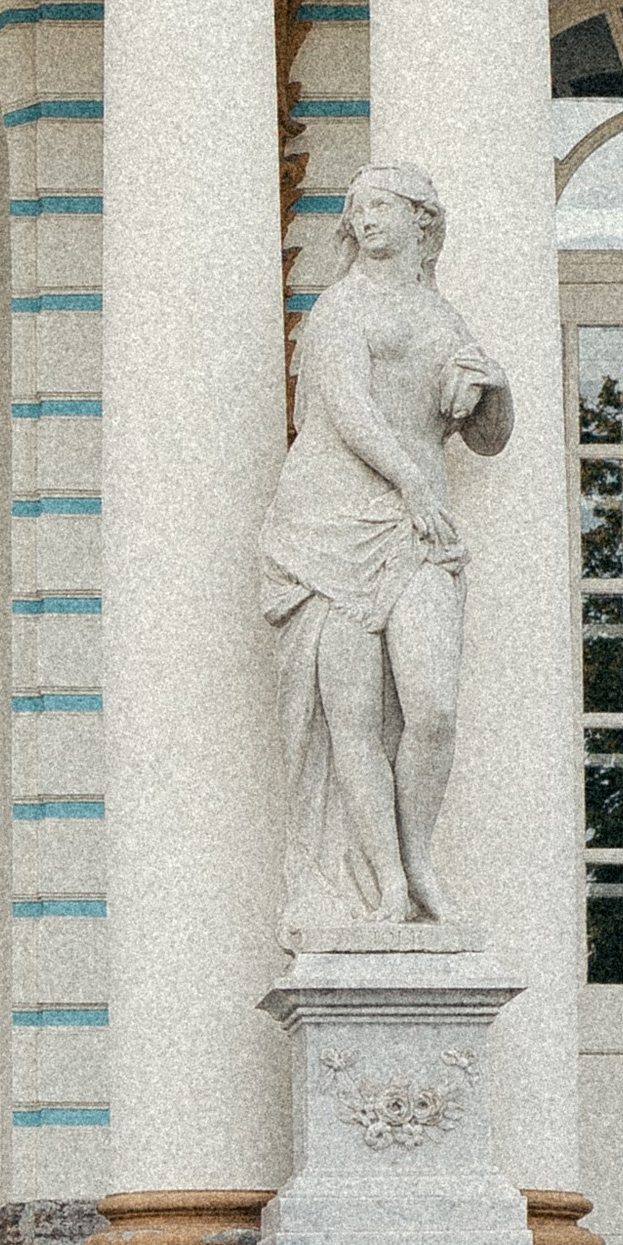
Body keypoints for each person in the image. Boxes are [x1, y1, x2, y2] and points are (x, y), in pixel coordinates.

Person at [260, 161, 510, 943]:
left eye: (380, 206)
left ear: (422, 220)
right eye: (356, 209)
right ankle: (392, 886)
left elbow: (488, 440)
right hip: (332, 524)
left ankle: (418, 857)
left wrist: (495, 390)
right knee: (353, 721)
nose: (365, 219)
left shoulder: (445, 319)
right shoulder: (342, 307)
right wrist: (412, 484)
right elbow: (346, 407)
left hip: (416, 528)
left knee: (432, 708)